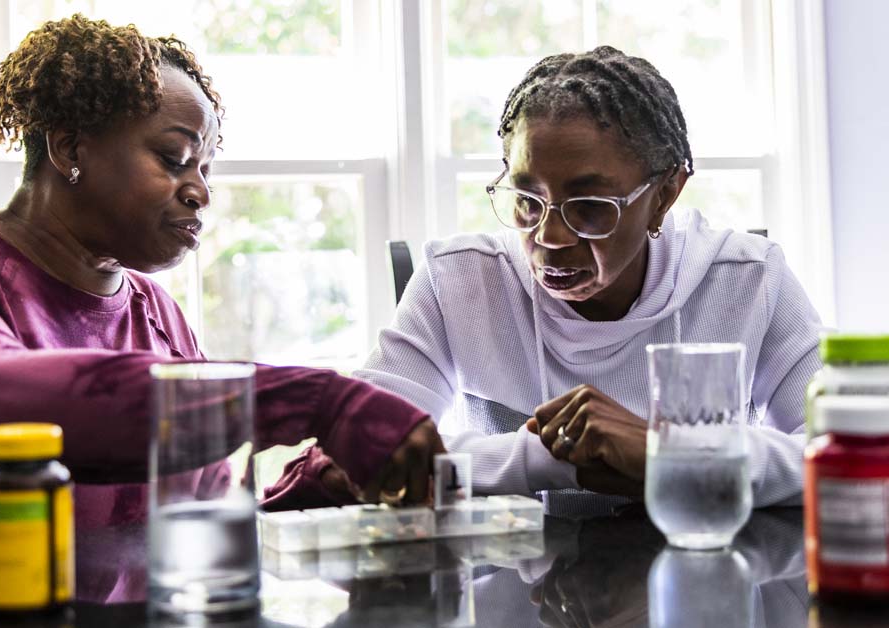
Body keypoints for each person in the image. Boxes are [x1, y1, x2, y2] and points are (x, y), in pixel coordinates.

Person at [0, 15, 444, 611]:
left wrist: (317, 483)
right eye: (174, 158)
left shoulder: (154, 315)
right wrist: (317, 399)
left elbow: (168, 533)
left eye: (207, 168)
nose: (200, 192)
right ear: (70, 148)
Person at [274, 46, 819, 516]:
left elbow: (852, 453)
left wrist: (669, 454)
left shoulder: (747, 279)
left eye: (588, 206)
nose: (550, 235)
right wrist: (548, 457)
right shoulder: (458, 280)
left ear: (666, 194)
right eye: (526, 199)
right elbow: (360, 447)